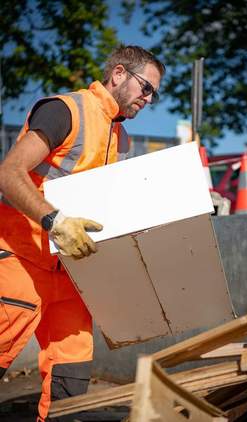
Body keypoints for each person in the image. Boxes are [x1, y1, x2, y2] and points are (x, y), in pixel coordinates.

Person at [0, 45, 165, 421]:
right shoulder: (65, 110)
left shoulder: (121, 139)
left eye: (154, 93)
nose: (149, 98)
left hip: (74, 274)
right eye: (146, 87)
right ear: (119, 73)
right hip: (21, 263)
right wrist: (54, 221)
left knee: (70, 386)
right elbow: (8, 173)